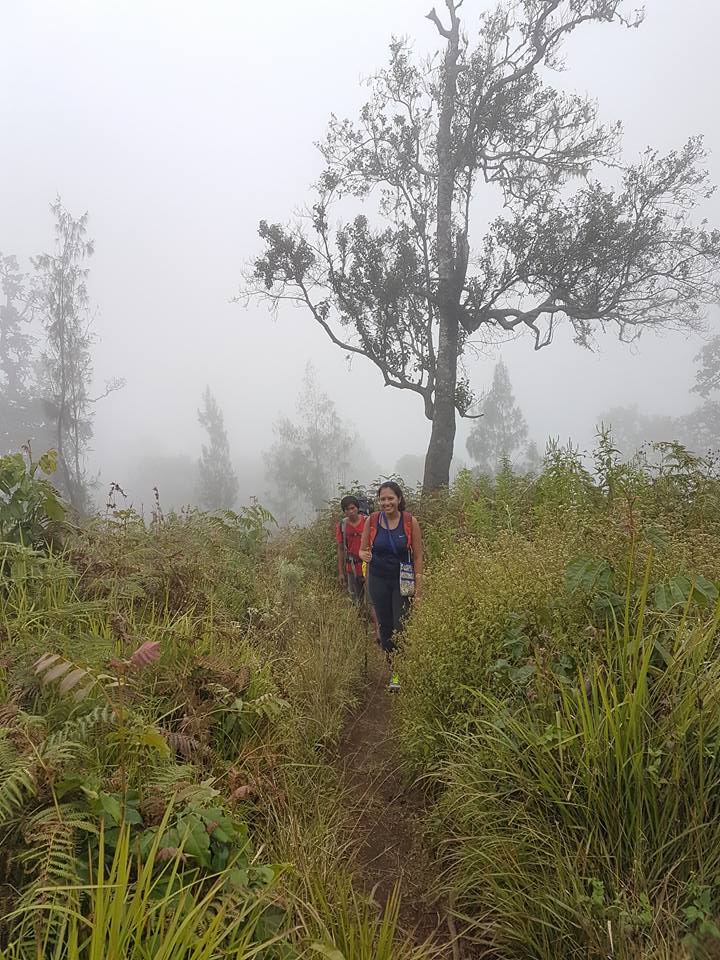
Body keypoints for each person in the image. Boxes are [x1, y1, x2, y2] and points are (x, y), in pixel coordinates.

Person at [359, 481, 423, 689]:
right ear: (379, 501)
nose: (386, 502)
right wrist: (364, 554)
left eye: (390, 498)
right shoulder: (373, 520)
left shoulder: (409, 521)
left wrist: (419, 591)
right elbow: (362, 550)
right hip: (378, 579)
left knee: (401, 626)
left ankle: (405, 665)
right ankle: (394, 672)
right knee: (385, 628)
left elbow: (418, 558)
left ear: (399, 499)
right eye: (383, 499)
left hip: (402, 580)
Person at [335, 495, 367, 603]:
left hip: (368, 566)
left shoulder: (367, 522)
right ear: (344, 511)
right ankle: (358, 619)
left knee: (371, 600)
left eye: (353, 508)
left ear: (358, 508)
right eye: (347, 509)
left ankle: (372, 619)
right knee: (355, 599)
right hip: (351, 567)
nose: (351, 511)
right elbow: (340, 548)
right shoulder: (342, 526)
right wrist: (340, 572)